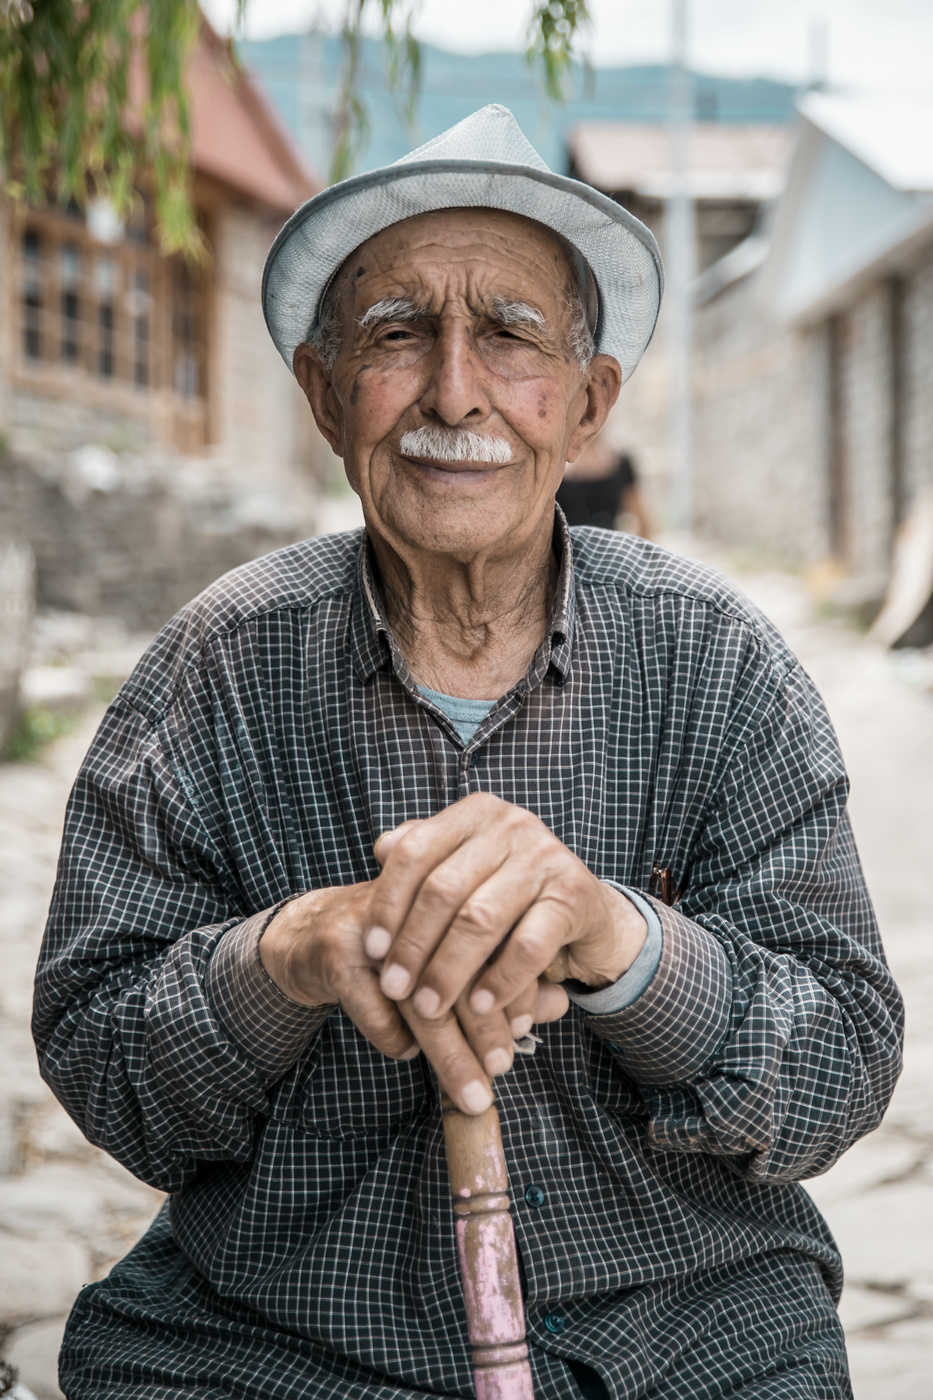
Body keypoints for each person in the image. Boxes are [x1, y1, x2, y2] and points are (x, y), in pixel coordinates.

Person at [34, 106, 902, 1400]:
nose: (453, 389)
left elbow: (841, 1057)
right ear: (325, 398)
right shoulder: (213, 670)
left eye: (509, 335)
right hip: (285, 1344)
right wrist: (292, 955)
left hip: (684, 1330)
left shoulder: (714, 660)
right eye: (395, 335)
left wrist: (622, 945)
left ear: (590, 401)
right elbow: (102, 1055)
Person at [556, 438, 650, 537]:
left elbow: (643, 520)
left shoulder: (620, 464)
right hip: (568, 547)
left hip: (609, 546)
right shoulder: (556, 470)